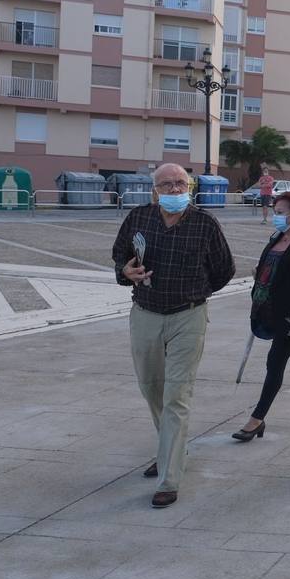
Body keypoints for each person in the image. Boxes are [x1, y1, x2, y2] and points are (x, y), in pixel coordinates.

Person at [112, 163, 235, 508]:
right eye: (167, 185)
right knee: (152, 389)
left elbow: (225, 269)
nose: (175, 190)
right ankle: (171, 450)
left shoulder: (205, 223)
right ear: (155, 191)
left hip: (188, 316)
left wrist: (197, 293)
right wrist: (126, 271)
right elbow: (120, 256)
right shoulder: (138, 218)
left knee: (176, 395)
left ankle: (169, 477)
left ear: (191, 186)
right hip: (146, 313)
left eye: (181, 183)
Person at [232, 191, 290, 441]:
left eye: (281, 212)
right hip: (270, 308)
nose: (277, 216)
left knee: (275, 362)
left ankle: (256, 419)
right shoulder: (278, 236)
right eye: (275, 211)